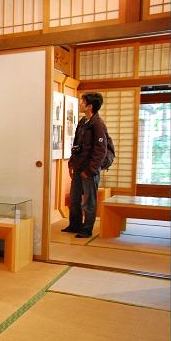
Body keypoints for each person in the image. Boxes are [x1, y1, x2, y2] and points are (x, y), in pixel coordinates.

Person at [62, 92, 109, 238]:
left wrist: (89, 170)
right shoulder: (83, 122)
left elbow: (101, 151)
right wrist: (71, 163)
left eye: (83, 102)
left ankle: (87, 229)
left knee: (89, 201)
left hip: (89, 170)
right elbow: (75, 144)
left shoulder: (98, 124)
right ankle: (75, 225)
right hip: (78, 166)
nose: (80, 104)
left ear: (90, 106)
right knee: (75, 199)